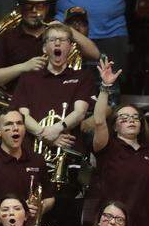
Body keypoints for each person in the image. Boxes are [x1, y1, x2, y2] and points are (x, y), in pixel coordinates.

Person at [90, 62, 149, 226]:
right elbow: (98, 121)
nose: (131, 120)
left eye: (135, 117)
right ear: (115, 125)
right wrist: (105, 88)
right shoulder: (107, 147)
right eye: (124, 117)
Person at [9, 21, 95, 163]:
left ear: (70, 46)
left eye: (62, 40)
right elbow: (22, 115)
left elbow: (80, 113)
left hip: (68, 155)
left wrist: (55, 130)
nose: (57, 43)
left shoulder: (82, 77)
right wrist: (44, 135)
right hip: (31, 154)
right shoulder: (28, 78)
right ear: (44, 48)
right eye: (52, 40)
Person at [0, 109, 54, 220]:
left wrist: (40, 207)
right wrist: (17, 209)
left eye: (19, 123)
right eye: (9, 124)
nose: (15, 128)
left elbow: (49, 197)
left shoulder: (38, 160)